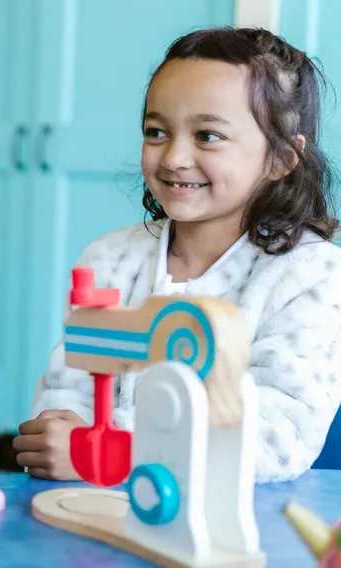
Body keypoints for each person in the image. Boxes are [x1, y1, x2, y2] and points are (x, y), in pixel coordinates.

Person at [18, 27, 341, 484]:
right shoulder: (110, 258)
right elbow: (70, 385)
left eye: (207, 135)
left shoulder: (313, 274)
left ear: (281, 158)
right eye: (156, 131)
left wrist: (115, 452)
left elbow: (278, 435)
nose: (173, 156)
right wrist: (59, 431)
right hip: (102, 510)